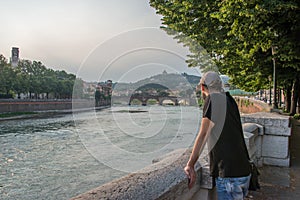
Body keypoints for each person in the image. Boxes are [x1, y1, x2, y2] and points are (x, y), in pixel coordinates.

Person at [184, 71, 251, 200]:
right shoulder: (229, 100)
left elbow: (203, 134)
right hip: (243, 169)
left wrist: (191, 164)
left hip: (229, 172)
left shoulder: (212, 99)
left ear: (203, 88)